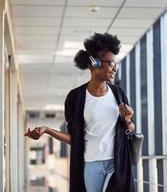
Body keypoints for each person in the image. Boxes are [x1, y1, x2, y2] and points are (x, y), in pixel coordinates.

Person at [24, 33, 136, 192]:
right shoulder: (75, 98)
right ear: (94, 63)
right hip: (90, 165)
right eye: (110, 63)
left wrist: (128, 119)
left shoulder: (118, 94)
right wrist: (47, 130)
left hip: (117, 163)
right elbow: (74, 139)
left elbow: (129, 130)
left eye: (116, 64)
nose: (115, 68)